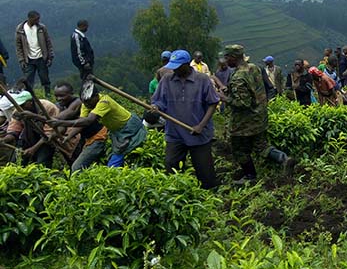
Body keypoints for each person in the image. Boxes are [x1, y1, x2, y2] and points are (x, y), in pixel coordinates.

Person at [219, 44, 293, 184]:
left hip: (244, 123)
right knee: (261, 145)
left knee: (240, 150)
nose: (225, 60)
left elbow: (243, 103)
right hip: (260, 116)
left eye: (227, 57)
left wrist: (225, 98)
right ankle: (283, 159)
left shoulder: (238, 77)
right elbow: (252, 90)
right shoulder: (253, 68)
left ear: (233, 57)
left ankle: (250, 176)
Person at [151, 50, 220, 189]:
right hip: (174, 134)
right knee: (171, 167)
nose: (174, 69)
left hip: (198, 134)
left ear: (186, 65)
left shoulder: (202, 80)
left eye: (178, 66)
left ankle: (210, 196)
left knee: (205, 172)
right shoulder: (167, 80)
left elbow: (212, 103)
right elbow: (159, 101)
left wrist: (201, 125)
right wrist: (156, 107)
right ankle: (178, 196)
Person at [50, 86, 145, 168]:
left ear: (96, 96)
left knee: (120, 156)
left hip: (129, 127)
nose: (87, 105)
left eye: (89, 102)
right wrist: (68, 137)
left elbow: (88, 121)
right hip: (116, 131)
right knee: (119, 154)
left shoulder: (104, 102)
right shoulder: (86, 104)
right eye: (85, 102)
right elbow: (81, 123)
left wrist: (60, 122)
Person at [2, 90, 60, 167]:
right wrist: (4, 140)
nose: (20, 108)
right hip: (27, 137)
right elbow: (14, 130)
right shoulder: (18, 111)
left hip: (45, 140)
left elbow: (49, 133)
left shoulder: (47, 107)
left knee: (42, 164)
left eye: (23, 105)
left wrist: (33, 149)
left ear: (30, 102)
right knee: (14, 164)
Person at [15, 11, 54, 96]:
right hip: (28, 58)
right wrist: (21, 60)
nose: (38, 21)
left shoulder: (41, 28)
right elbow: (18, 46)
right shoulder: (20, 29)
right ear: (30, 18)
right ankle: (29, 95)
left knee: (44, 77)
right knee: (28, 79)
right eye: (36, 19)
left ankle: (48, 94)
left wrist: (50, 57)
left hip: (41, 57)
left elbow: (48, 42)